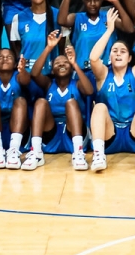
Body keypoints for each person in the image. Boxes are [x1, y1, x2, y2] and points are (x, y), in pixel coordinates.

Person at [88, 6, 135, 171]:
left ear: (130, 58)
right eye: (114, 51)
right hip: (109, 133)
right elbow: (93, 57)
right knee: (98, 107)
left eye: (122, 51)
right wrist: (109, 30)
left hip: (134, 133)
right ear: (110, 56)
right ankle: (98, 155)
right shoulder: (104, 74)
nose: (118, 54)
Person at [25, 32, 95, 171]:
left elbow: (89, 91)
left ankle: (78, 152)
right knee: (41, 102)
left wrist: (75, 63)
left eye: (65, 63)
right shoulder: (48, 84)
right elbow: (34, 73)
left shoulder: (77, 83)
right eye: (57, 63)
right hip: (51, 129)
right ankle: (36, 151)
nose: (62, 64)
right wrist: (48, 48)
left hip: (73, 130)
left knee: (71, 102)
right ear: (52, 68)